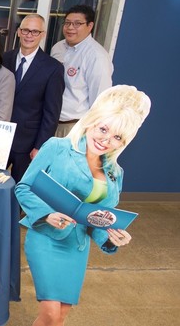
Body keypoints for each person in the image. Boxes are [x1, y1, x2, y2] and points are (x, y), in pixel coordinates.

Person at [15, 85, 151, 326]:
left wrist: (112, 236)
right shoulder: (57, 148)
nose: (106, 140)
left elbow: (99, 219)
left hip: (77, 247)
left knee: (60, 318)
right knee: (50, 313)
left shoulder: (114, 172)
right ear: (91, 121)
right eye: (103, 129)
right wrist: (47, 215)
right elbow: (23, 188)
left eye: (117, 137)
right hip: (46, 239)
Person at [3, 14, 65, 183]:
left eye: (35, 31)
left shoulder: (53, 68)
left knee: (20, 189)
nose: (29, 35)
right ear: (18, 32)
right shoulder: (4, 59)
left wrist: (40, 146)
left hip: (28, 142)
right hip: (0, 137)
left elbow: (52, 113)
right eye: (25, 30)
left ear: (42, 34)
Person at [51, 5, 113, 137]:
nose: (70, 27)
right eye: (67, 23)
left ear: (90, 26)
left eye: (77, 23)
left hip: (73, 127)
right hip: (49, 121)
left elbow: (100, 100)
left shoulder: (96, 56)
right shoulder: (58, 48)